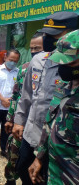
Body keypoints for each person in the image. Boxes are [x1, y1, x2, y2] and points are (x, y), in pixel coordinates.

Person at [12, 11, 78, 184]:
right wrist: (19, 120)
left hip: (62, 142)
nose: (47, 39)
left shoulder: (72, 68)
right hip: (33, 132)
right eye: (46, 34)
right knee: (23, 169)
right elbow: (27, 94)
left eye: (54, 35)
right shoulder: (39, 59)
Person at [29, 29, 79, 185]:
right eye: (60, 60)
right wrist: (39, 156)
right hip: (54, 173)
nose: (62, 66)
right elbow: (50, 122)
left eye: (70, 61)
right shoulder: (63, 85)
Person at [4, 32, 44, 185]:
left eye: (38, 48)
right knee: (14, 159)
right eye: (32, 48)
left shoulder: (55, 70)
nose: (34, 52)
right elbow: (16, 96)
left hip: (40, 129)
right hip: (21, 124)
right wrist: (10, 119)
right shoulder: (23, 69)